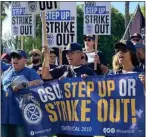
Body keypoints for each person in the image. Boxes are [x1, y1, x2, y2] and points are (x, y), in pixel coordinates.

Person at [42, 43, 96, 137]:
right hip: (65, 120)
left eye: (72, 53)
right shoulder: (63, 69)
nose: (68, 55)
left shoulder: (89, 71)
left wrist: (90, 82)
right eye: (67, 53)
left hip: (82, 122)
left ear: (81, 54)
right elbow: (45, 75)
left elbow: (99, 92)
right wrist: (46, 57)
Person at [1, 49, 43, 137]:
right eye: (13, 57)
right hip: (4, 116)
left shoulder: (29, 71)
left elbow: (40, 82)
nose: (14, 59)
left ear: (25, 60)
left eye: (18, 57)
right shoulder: (7, 72)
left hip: (20, 117)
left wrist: (25, 84)